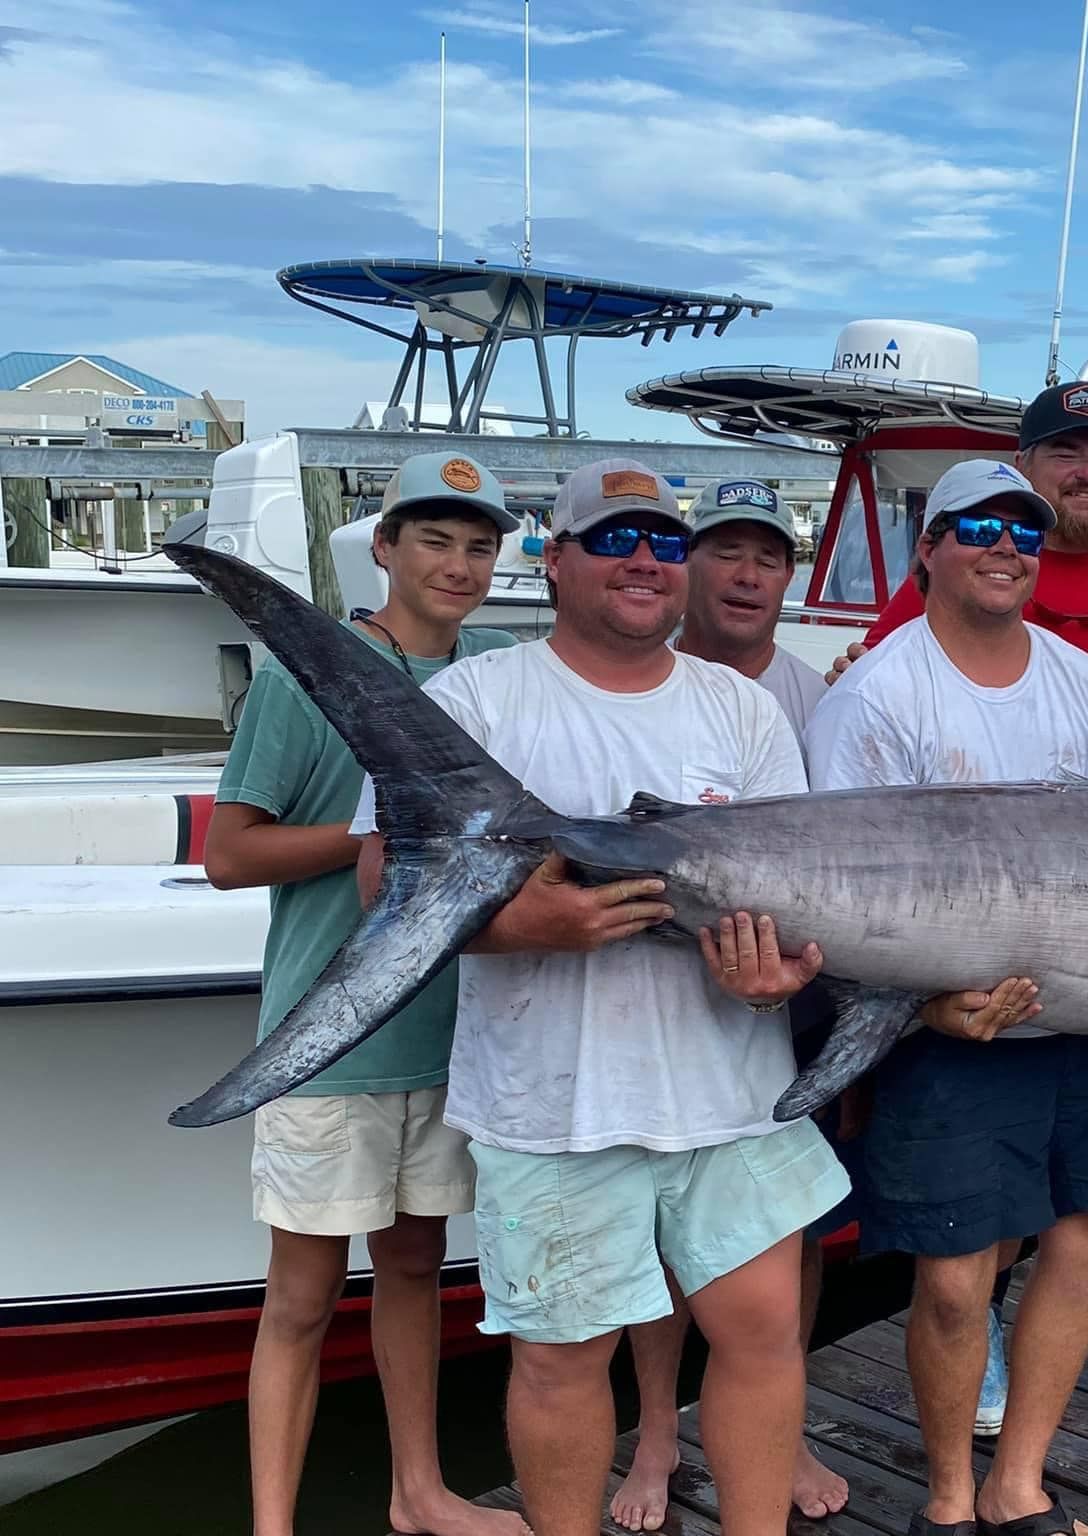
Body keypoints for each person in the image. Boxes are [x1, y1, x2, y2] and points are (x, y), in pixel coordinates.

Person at [351, 458, 849, 1536]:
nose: (641, 561)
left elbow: (793, 890)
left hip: (729, 1092)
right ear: (558, 558)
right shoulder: (473, 697)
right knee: (558, 1361)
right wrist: (530, 926)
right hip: (550, 1105)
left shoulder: (743, 710)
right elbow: (380, 877)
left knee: (762, 1335)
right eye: (612, 539)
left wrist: (776, 979)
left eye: (663, 544)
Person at [806, 457, 1088, 1536]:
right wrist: (930, 1007)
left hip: (1086, 1018)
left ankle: (1017, 1483)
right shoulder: (875, 693)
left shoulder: (1080, 682)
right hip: (952, 1035)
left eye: (1022, 531)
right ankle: (947, 1499)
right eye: (976, 526)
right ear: (929, 549)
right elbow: (838, 890)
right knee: (950, 1278)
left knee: (1085, 1241)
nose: (1004, 545)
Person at [207, 451, 526, 1536]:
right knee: (298, 1298)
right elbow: (229, 855)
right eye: (434, 538)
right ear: (382, 547)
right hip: (329, 1042)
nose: (459, 563)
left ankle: (418, 1494)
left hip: (451, 1039)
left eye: (480, 545)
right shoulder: (311, 677)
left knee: (413, 1266)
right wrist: (372, 842)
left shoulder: (497, 679)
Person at [608, 477, 844, 1532]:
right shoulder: (629, 679)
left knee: (787, 1225)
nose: (747, 575)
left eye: (769, 557)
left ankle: (775, 1435)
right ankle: (656, 1433)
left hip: (790, 992)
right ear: (686, 566)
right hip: (639, 1000)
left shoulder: (816, 692)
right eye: (724, 553)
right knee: (657, 1233)